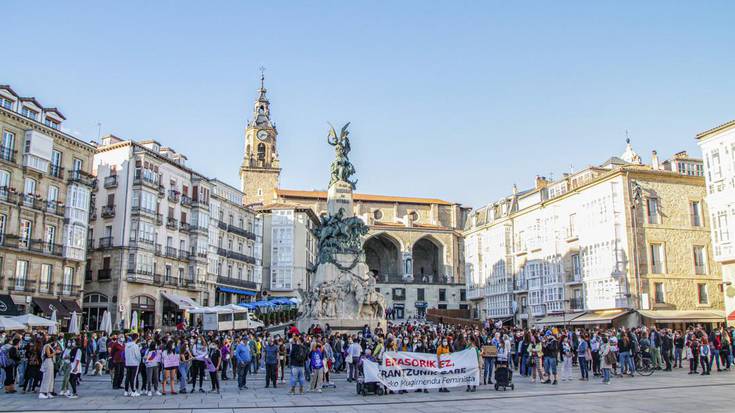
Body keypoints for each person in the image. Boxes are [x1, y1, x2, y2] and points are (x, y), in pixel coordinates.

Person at [39, 335, 58, 399]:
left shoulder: (50, 346)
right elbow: (48, 355)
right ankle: (43, 392)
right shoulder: (47, 346)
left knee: (51, 377)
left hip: (51, 362)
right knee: (47, 377)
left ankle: (49, 391)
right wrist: (55, 352)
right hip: (48, 362)